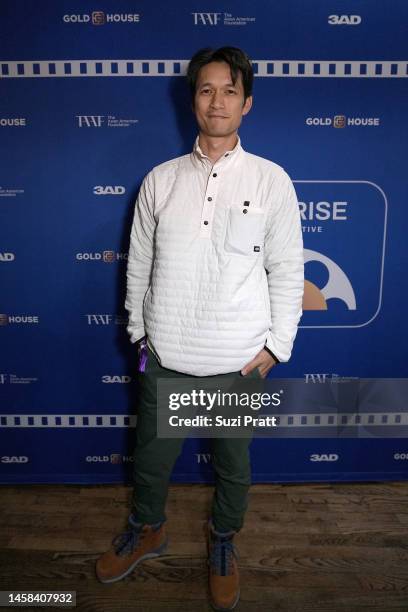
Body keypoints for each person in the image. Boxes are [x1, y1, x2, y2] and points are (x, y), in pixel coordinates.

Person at [96, 46, 304, 610]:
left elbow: (287, 267)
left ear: (248, 103)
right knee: (151, 460)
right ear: (194, 99)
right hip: (167, 354)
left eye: (230, 90)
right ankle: (149, 530)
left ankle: (223, 541)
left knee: (233, 463)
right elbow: (139, 262)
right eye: (207, 89)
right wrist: (141, 334)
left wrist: (276, 346)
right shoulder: (160, 181)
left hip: (237, 362)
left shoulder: (270, 181)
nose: (218, 101)